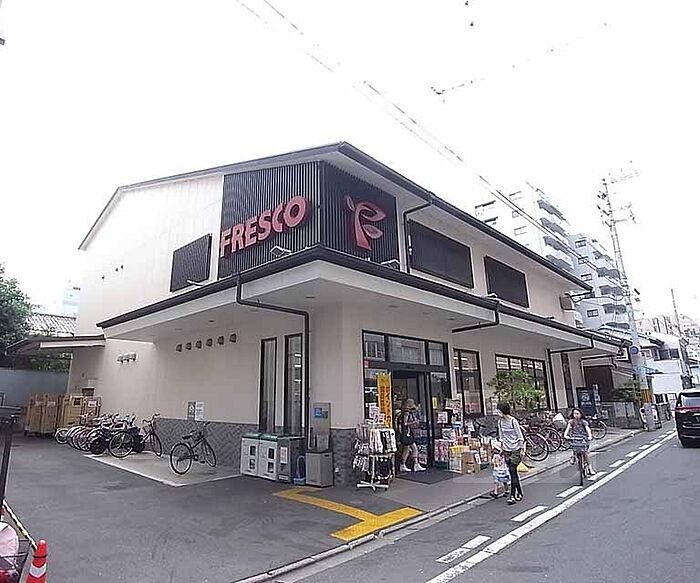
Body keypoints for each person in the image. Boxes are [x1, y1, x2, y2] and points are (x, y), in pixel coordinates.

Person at [496, 402, 525, 505]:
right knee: (513, 472)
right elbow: (501, 437)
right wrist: (501, 449)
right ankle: (520, 492)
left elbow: (520, 436)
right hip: (506, 450)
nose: (497, 412)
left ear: (503, 410)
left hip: (515, 449)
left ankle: (512, 495)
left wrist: (522, 450)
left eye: (498, 410)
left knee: (512, 470)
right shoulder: (500, 422)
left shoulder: (513, 421)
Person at [395, 399, 426, 472]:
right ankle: (415, 464)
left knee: (407, 449)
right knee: (414, 448)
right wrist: (414, 422)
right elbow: (405, 424)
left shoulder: (402, 412)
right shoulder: (406, 413)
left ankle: (403, 464)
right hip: (407, 433)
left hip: (403, 433)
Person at [564, 408, 593, 475]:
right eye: (574, 414)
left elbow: (587, 429)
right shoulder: (571, 422)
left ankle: (590, 468)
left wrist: (590, 436)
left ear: (580, 414)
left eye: (577, 414)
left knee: (585, 453)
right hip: (575, 438)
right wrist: (565, 435)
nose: (576, 415)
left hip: (583, 438)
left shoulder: (583, 422)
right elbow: (567, 429)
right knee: (574, 448)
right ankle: (573, 456)